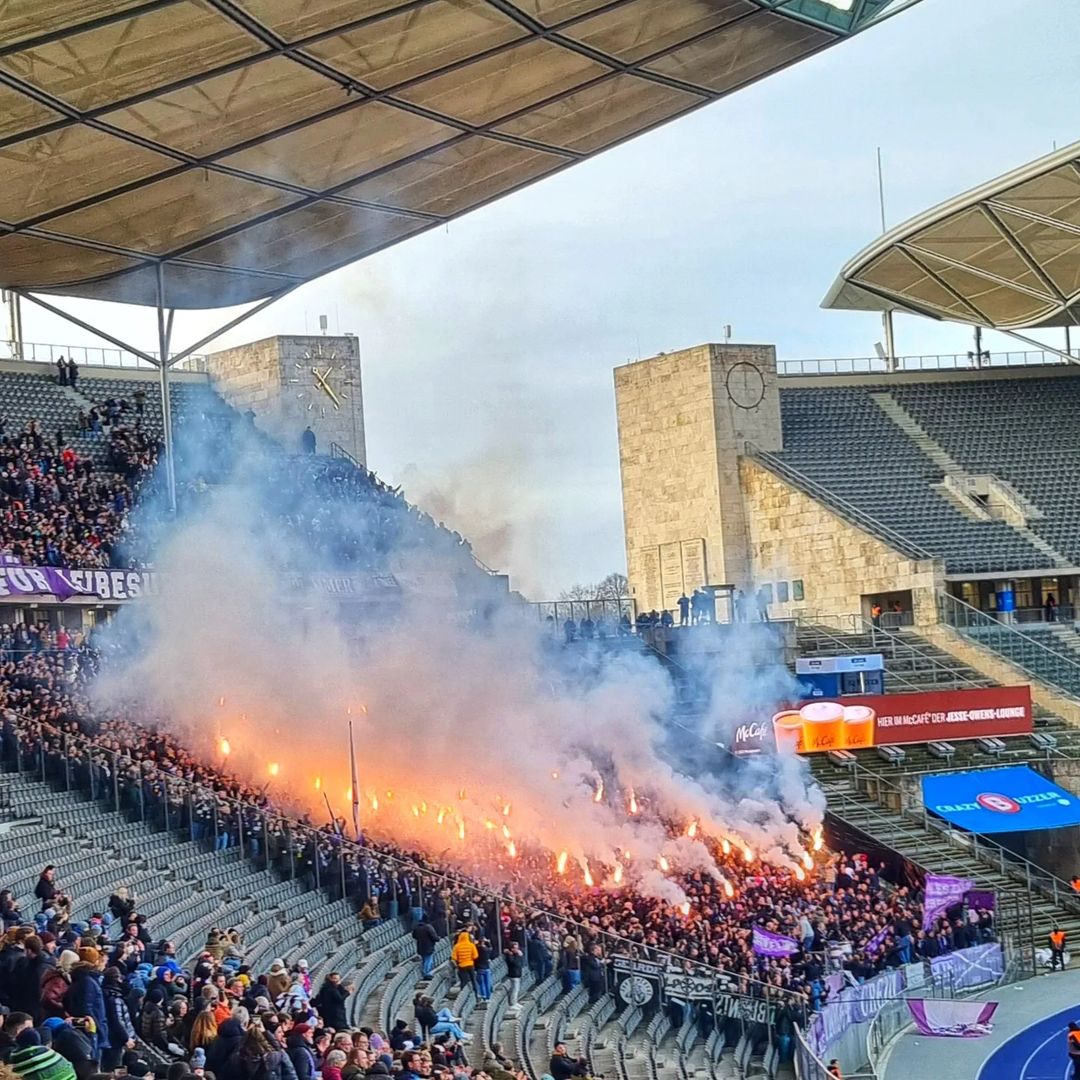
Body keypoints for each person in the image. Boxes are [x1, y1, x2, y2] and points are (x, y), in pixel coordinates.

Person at [503, 942, 523, 1008]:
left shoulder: (515, 954)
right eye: (515, 948)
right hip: (513, 975)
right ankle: (512, 1004)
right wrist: (518, 955)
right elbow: (515, 963)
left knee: (516, 990)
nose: (517, 949)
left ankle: (515, 1002)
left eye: (517, 948)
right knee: (514, 990)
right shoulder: (510, 955)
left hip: (517, 974)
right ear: (511, 948)